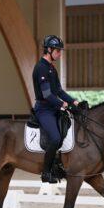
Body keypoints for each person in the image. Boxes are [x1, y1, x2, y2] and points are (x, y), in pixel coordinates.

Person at [32, 35, 80, 183]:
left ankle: (57, 164)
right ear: (49, 50)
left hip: (53, 108)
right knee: (55, 138)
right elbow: (47, 94)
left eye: (60, 51)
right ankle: (46, 173)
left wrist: (73, 101)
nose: (60, 54)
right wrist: (62, 105)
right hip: (44, 110)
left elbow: (58, 91)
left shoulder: (51, 68)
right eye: (58, 51)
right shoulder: (41, 68)